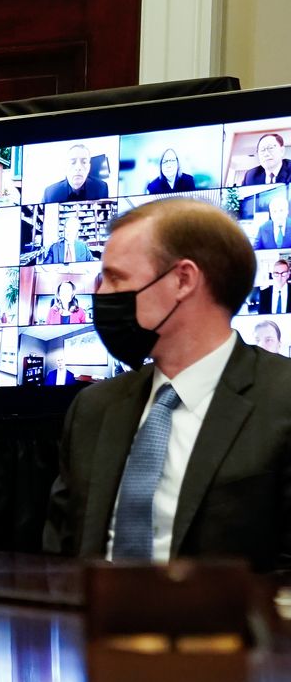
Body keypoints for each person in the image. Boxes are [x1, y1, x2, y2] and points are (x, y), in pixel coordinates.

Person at [44, 197, 291, 572]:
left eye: (116, 278)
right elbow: (57, 560)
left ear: (183, 280)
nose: (100, 295)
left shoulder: (282, 399)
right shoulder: (93, 409)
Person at [43, 142, 108, 203]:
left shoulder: (101, 188)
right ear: (65, 167)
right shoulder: (50, 193)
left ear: (89, 167)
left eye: (84, 162)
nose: (78, 167)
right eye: (73, 162)